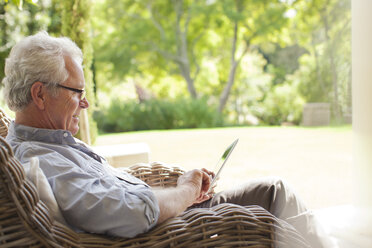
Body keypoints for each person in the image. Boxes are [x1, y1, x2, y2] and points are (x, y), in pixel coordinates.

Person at [2, 32, 329, 247]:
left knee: (273, 192)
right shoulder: (41, 160)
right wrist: (184, 193)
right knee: (275, 195)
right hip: (172, 234)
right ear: (40, 94)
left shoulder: (54, 144)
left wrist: (181, 189)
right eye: (77, 93)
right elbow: (127, 212)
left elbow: (113, 193)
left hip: (172, 218)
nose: (85, 103)